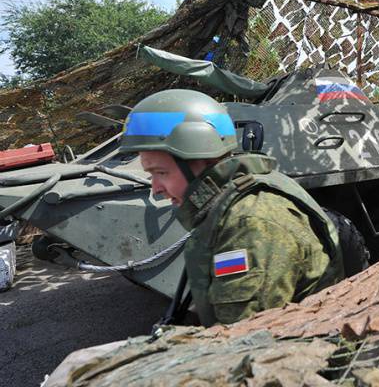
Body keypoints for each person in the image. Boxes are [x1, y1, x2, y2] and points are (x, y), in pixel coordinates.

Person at [119, 89, 344, 326]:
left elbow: (242, 338)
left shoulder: (250, 224)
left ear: (201, 160)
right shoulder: (231, 201)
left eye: (161, 173)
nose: (155, 188)